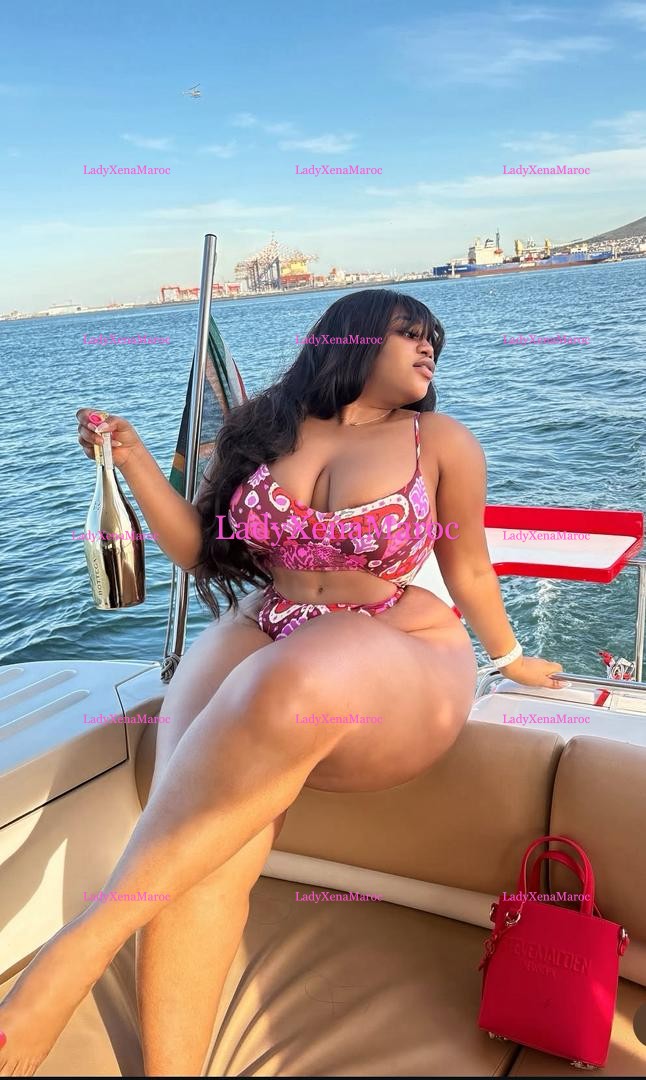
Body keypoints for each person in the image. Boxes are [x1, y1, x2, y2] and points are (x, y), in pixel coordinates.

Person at [0, 289, 563, 1076]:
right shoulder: (265, 430)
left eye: (433, 339)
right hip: (269, 625)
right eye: (410, 333)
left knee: (294, 672)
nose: (428, 348)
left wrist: (510, 659)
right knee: (203, 842)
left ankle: (74, 958)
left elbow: (468, 565)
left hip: (393, 643)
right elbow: (201, 551)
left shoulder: (440, 441)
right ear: (351, 338)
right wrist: (130, 460)